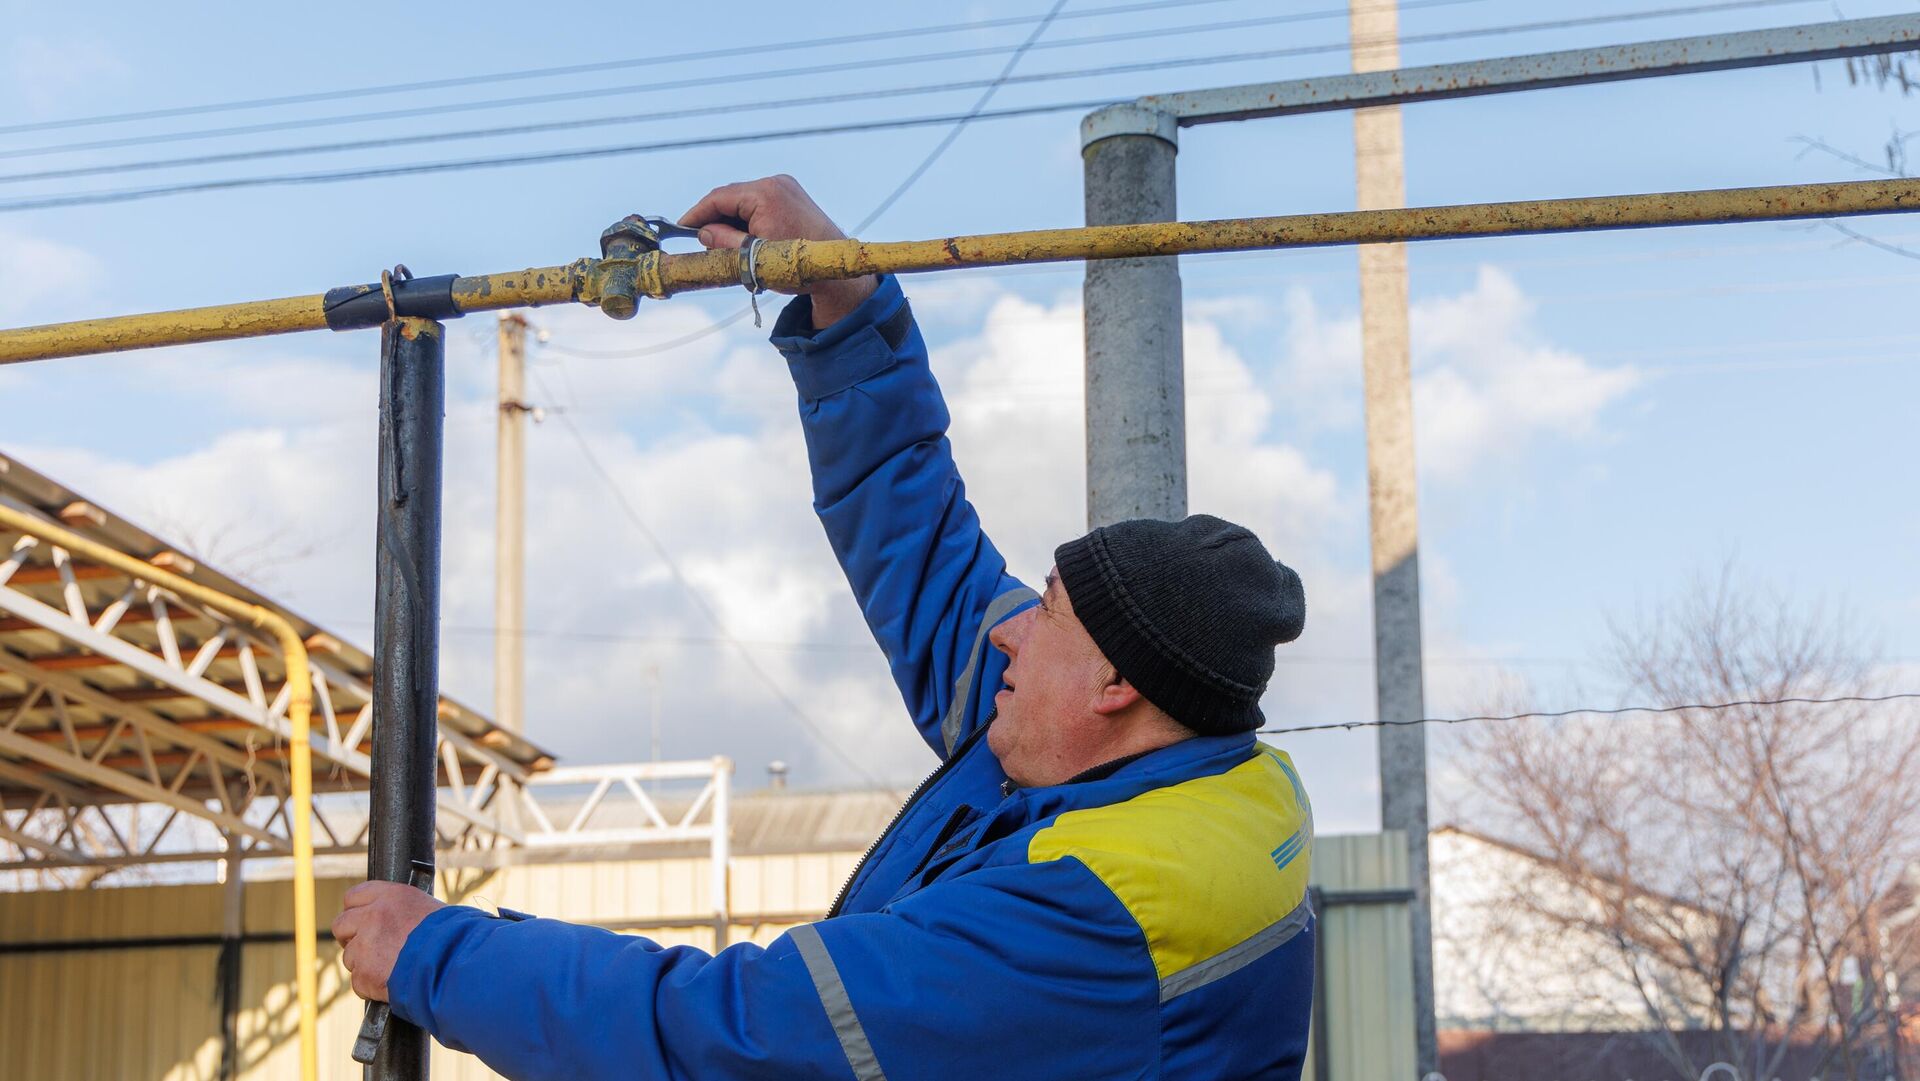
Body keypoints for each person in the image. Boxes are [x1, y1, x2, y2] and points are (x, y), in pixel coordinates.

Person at [332, 175, 1316, 1080]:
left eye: (1048, 610)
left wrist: (437, 956)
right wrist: (846, 300)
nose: (1008, 633)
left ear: (1115, 685)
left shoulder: (1093, 914)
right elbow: (931, 559)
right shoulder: (1176, 767)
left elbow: (740, 1035)